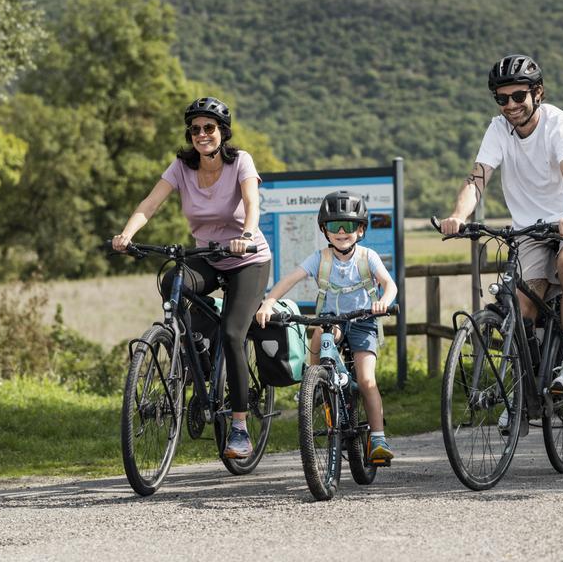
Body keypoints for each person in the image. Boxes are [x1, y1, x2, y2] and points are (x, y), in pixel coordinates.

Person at [439, 54, 563, 405]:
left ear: (538, 93)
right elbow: (477, 178)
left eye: (518, 97)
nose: (510, 106)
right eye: (502, 99)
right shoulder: (498, 129)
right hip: (529, 228)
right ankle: (520, 398)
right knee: (521, 306)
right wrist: (457, 215)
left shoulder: (559, 124)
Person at [112, 96, 271, 459]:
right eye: (196, 129)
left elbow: (252, 203)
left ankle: (240, 428)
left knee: (233, 333)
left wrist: (246, 236)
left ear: (222, 133)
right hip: (208, 257)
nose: (202, 134)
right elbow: (149, 204)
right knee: (172, 282)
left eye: (209, 128)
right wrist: (127, 234)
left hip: (247, 258)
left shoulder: (240, 161)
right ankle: (197, 348)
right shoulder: (182, 167)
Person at [254, 190, 398, 462]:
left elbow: (389, 285)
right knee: (318, 336)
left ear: (361, 229)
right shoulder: (320, 258)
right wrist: (269, 302)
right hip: (333, 319)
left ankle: (378, 439)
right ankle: (316, 384)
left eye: (349, 226)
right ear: (324, 230)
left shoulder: (368, 257)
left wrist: (384, 302)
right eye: (334, 226)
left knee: (367, 379)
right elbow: (291, 279)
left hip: (363, 321)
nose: (341, 232)